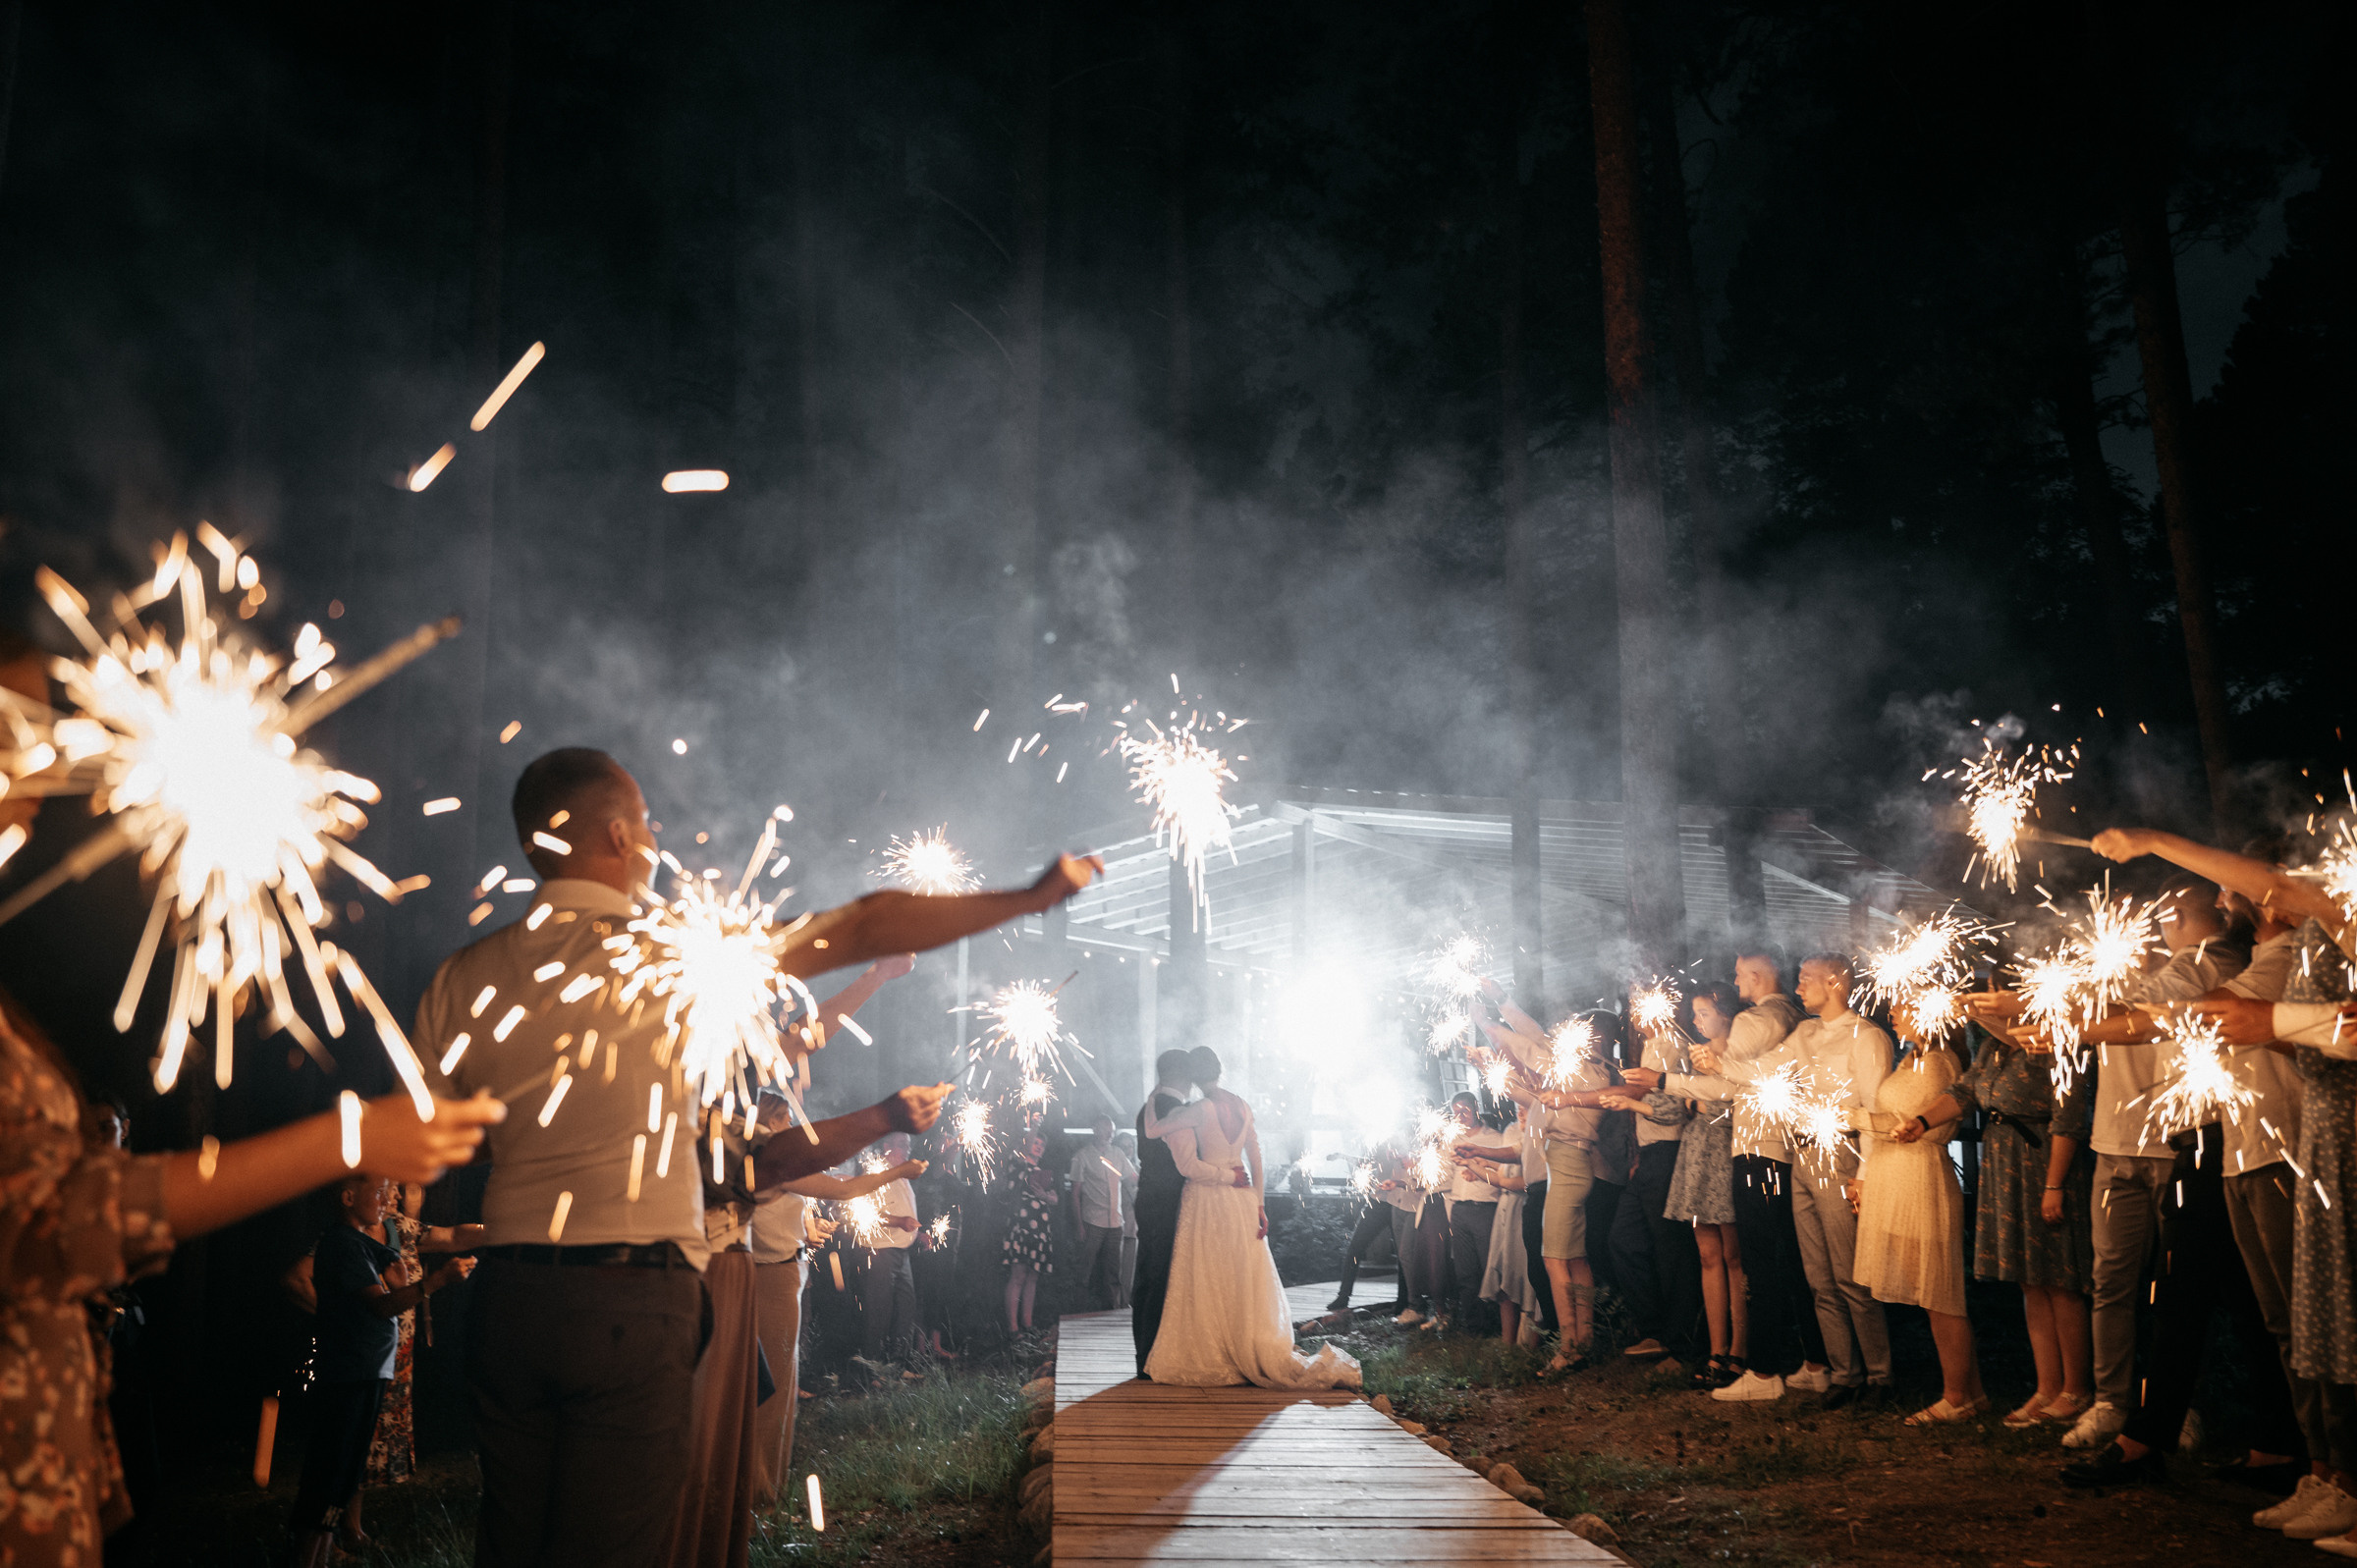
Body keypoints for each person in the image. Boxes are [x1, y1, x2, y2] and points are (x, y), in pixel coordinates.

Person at [414, 746, 1101, 1567]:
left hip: (510, 1295)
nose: (655, 837)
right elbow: (862, 922)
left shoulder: (465, 974)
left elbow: (418, 1137)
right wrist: (1027, 897)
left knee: (512, 1538)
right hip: (633, 1295)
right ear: (616, 834)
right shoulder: (666, 955)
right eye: (646, 823)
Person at [1643, 951, 1831, 1403]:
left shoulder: (1758, 1019)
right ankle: (1815, 1362)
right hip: (1777, 1148)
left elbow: (1732, 1081)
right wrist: (1668, 1081)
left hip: (1759, 1149)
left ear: (1757, 974)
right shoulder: (1791, 1018)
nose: (1733, 978)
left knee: (1763, 1266)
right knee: (1785, 1263)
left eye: (1739, 971)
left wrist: (1705, 1063)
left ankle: (1764, 1373)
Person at [1138, 1047, 1360, 1389]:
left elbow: (1153, 1131)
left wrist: (1153, 1097)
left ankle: (1218, 1347)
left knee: (1208, 1274)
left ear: (1194, 1077)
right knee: (1241, 1273)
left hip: (1207, 1198)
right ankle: (1247, 1342)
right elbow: (1256, 1154)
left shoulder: (1197, 1109)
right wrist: (1259, 1204)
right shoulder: (1242, 1105)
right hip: (1242, 1198)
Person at [288, 1177, 475, 1568]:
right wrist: (437, 1280)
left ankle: (322, 1556)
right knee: (334, 1471)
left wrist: (394, 1265)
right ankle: (307, 1558)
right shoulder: (343, 1244)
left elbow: (394, 1277)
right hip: (351, 1372)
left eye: (392, 1189)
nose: (388, 1198)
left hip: (368, 1370)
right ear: (348, 1197)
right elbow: (382, 1306)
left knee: (346, 1470)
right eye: (380, 1190)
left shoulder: (365, 1242)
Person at [1930, 1009, 2094, 1429]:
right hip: (2004, 1164)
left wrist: (2055, 1185)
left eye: (1990, 1008)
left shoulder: (2057, 1045)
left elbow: (2069, 1118)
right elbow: (1965, 1093)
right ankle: (2047, 1387)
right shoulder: (1993, 1049)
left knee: (2060, 1278)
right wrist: (1921, 1121)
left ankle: (2076, 1389)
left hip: (2043, 1161)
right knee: (2030, 1279)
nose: (1983, 1018)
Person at [1853, 1007, 1985, 1424]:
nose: (1891, 1011)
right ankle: (1971, 1392)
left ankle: (1957, 1396)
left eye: (1902, 1003)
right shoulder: (1911, 1057)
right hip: (1895, 1176)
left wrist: (1849, 1117)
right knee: (1929, 1294)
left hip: (1920, 1178)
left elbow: (1905, 1122)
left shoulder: (1940, 1063)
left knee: (1938, 1293)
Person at [1656, 982, 1748, 1391]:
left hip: (1728, 1154)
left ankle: (1741, 1351)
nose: (1695, 1020)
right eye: (1694, 1014)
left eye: (1703, 1013)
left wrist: (1697, 1102)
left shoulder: (1740, 1056)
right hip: (1697, 1156)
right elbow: (1682, 1102)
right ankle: (1716, 1349)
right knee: (1708, 1257)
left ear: (1726, 1014)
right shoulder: (1698, 1057)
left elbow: (1730, 1106)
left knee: (1734, 1258)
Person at [1604, 1000, 1701, 1368]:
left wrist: (1626, 1104)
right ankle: (1654, 1329)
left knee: (1671, 1248)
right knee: (1624, 1239)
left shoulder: (1672, 1043)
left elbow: (1669, 1105)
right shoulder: (1649, 1045)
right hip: (1648, 1156)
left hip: (1670, 1150)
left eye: (1639, 1007)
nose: (1634, 1018)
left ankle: (1679, 1342)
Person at [1130, 1051, 1194, 1375]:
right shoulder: (1176, 1111)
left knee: (1146, 1274)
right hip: (1167, 1201)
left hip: (1147, 1197)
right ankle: (1152, 1358)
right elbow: (1186, 1164)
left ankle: (1144, 1354)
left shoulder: (1148, 1107)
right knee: (1160, 1277)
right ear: (1182, 1077)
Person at [1461, 1103, 1545, 1347]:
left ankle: (1531, 1345)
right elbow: (1503, 1174)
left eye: (1526, 1108)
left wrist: (1482, 1161)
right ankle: (1509, 1345)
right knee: (1504, 1275)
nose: (1520, 1112)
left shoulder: (1543, 1134)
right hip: (1505, 1211)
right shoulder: (1511, 1131)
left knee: (1529, 1278)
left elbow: (1523, 1181)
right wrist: (1473, 1164)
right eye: (1518, 1108)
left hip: (1527, 1210)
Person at [850, 1135, 925, 1374]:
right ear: (886, 1147)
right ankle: (871, 1371)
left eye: (908, 1146)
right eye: (902, 1145)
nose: (907, 1151)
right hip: (879, 1252)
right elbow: (865, 1213)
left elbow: (905, 1210)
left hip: (902, 1254)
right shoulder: (876, 1174)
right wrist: (899, 1221)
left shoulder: (902, 1176)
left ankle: (897, 1366)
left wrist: (917, 1233)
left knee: (905, 1309)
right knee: (878, 1312)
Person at [1069, 1115, 1138, 1309]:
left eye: (1112, 1130)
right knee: (1085, 1270)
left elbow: (1133, 1177)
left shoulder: (1117, 1154)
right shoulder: (1082, 1156)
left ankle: (1113, 1312)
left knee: (1113, 1272)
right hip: (1092, 1222)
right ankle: (1078, 1313)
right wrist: (1079, 1225)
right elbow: (1074, 1194)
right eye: (1106, 1129)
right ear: (1095, 1129)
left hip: (1115, 1223)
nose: (1110, 1134)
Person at [1327, 1143, 1403, 1314]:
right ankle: (1343, 1296)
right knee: (1354, 1249)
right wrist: (1343, 1155)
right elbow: (1368, 1163)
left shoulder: (1403, 1142)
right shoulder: (1381, 1142)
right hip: (1376, 1204)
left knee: (1403, 1255)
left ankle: (1404, 1301)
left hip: (1398, 1204)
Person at [1001, 1133, 1056, 1338]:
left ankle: (1028, 1324)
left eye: (1042, 1144)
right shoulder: (1017, 1165)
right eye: (1035, 1142)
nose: (1039, 1146)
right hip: (1022, 1225)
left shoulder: (1043, 1172)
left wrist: (1044, 1196)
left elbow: (1055, 1198)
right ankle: (1013, 1327)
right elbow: (1008, 1188)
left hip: (1040, 1228)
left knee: (1033, 1276)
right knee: (1018, 1275)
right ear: (1026, 1144)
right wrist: (1033, 1127)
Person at [1112, 1129, 1141, 1303]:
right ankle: (1114, 1303)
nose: (1127, 1150)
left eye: (1130, 1146)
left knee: (1129, 1268)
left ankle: (1125, 1303)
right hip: (1115, 1223)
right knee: (1115, 1267)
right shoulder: (1112, 1168)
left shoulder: (1139, 1169)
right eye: (1123, 1146)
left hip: (1133, 1225)